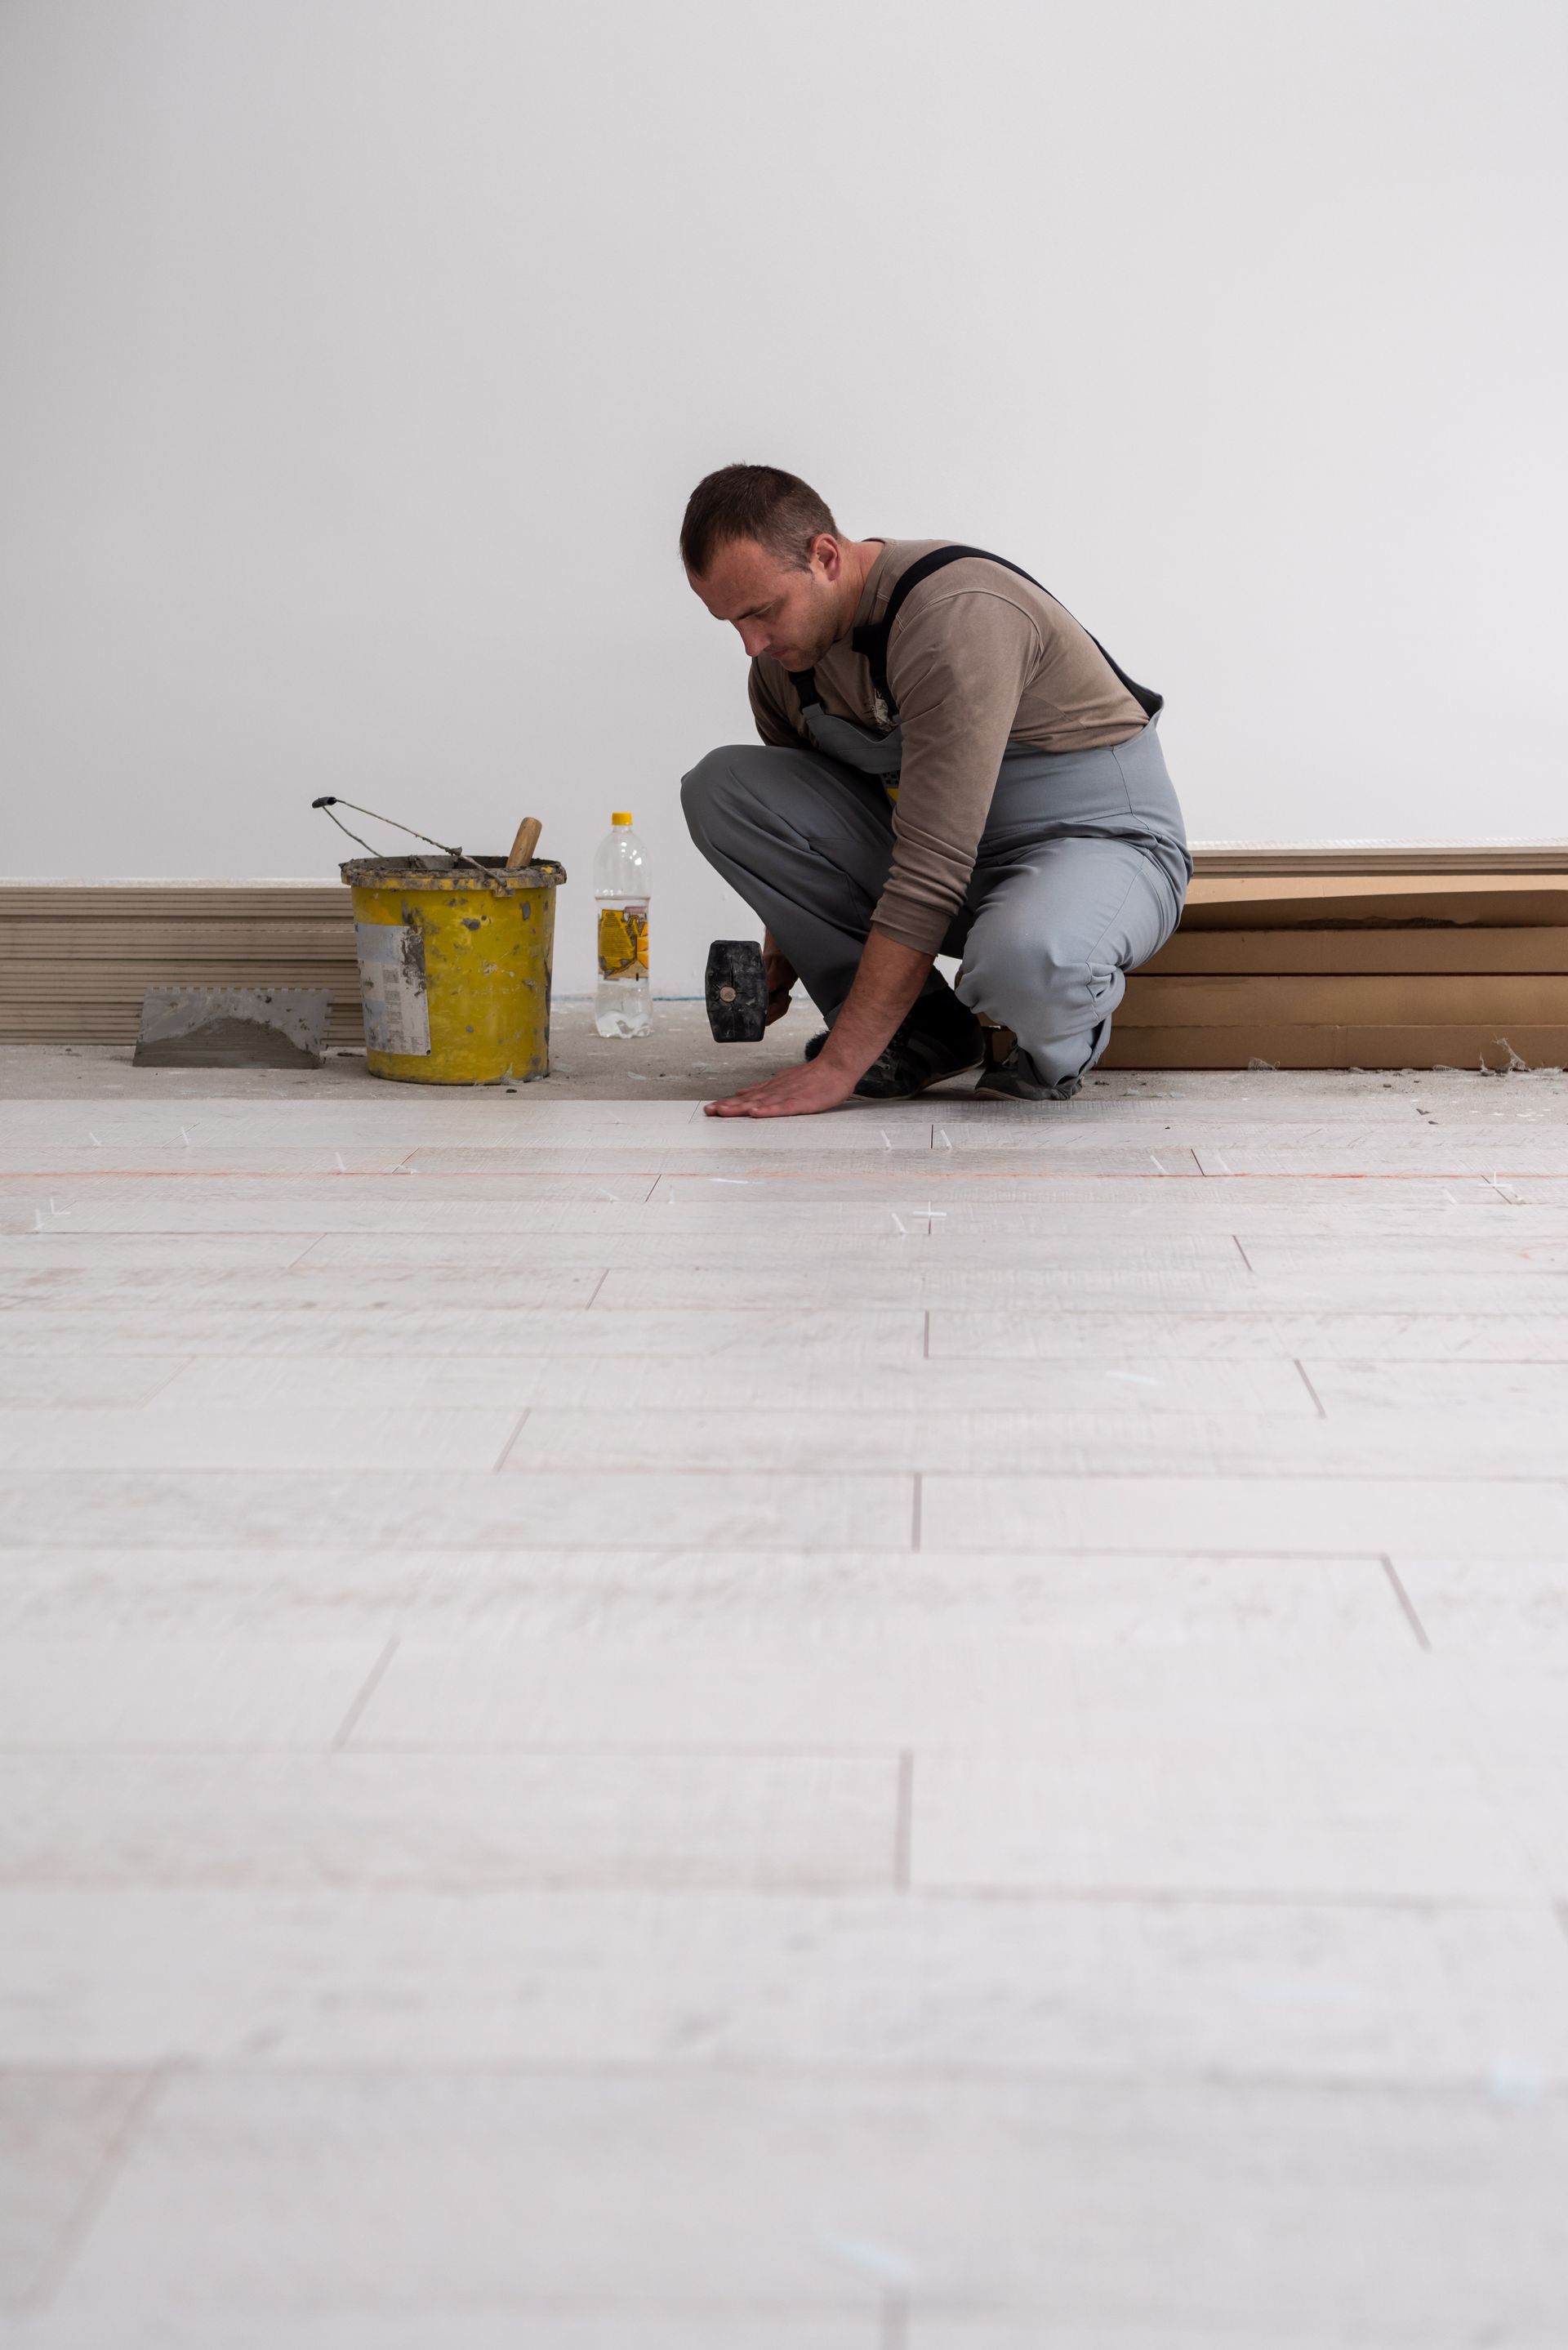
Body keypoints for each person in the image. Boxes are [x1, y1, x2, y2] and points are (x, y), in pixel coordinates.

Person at [680, 464, 1191, 1120]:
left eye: (763, 611)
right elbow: (803, 823)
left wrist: (837, 1068)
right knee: (722, 788)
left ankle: (1050, 1053)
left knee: (1031, 964)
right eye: (731, 622)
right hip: (951, 859)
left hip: (1094, 847)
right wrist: (783, 949)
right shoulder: (784, 668)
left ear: (826, 556)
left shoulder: (954, 618)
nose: (752, 643)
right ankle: (918, 1032)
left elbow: (929, 869)